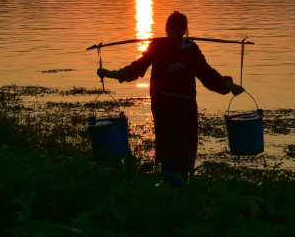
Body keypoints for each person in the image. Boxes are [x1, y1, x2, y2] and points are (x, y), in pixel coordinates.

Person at [97, 11, 245, 186]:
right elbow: (139, 66)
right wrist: (116, 74)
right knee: (168, 150)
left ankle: (180, 191)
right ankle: (170, 190)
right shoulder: (158, 47)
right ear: (166, 30)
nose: (175, 34)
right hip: (164, 109)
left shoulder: (191, 50)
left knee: (184, 149)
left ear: (184, 31)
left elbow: (208, 74)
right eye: (172, 30)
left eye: (179, 30)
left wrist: (227, 85)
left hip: (185, 110)